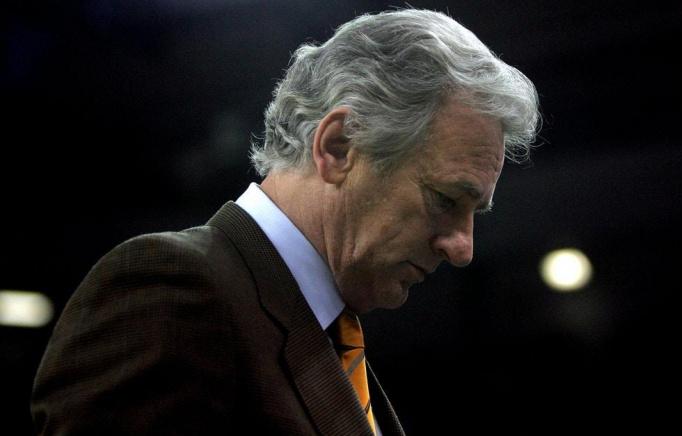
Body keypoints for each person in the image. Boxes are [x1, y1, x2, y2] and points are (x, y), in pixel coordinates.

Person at [31, 8, 539, 435]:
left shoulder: (322, 332)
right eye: (446, 199)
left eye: (474, 212)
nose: (463, 248)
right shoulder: (172, 291)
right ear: (338, 146)